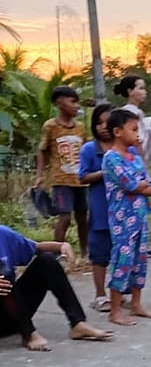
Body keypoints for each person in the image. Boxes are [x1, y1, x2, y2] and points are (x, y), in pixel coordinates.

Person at [0, 225, 114, 351]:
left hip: (12, 315)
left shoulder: (3, 234)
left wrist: (61, 246)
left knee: (46, 260)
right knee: (4, 278)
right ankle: (29, 335)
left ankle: (78, 323)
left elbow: (36, 247)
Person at [102, 109, 151, 326]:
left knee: (140, 260)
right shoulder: (111, 158)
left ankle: (136, 303)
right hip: (121, 219)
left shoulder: (134, 156)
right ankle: (115, 310)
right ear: (117, 131)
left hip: (140, 216)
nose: (138, 135)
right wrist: (140, 186)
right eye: (133, 129)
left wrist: (141, 186)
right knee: (122, 261)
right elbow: (131, 183)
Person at [34, 86, 89, 258]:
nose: (76, 106)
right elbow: (42, 150)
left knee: (82, 217)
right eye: (72, 101)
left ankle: (84, 253)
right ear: (60, 103)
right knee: (64, 217)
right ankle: (57, 253)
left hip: (80, 179)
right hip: (61, 180)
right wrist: (40, 175)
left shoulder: (80, 128)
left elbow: (86, 149)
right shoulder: (51, 126)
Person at [78, 103, 115, 313]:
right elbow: (82, 176)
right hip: (101, 210)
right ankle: (100, 296)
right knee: (99, 255)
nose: (102, 127)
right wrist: (105, 172)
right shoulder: (90, 150)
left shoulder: (124, 148)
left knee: (121, 254)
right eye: (98, 123)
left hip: (123, 213)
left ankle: (118, 294)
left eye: (107, 122)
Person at [114, 75, 151, 171]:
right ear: (130, 91)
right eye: (141, 88)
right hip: (136, 164)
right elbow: (136, 140)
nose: (145, 92)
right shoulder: (129, 113)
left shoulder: (138, 112)